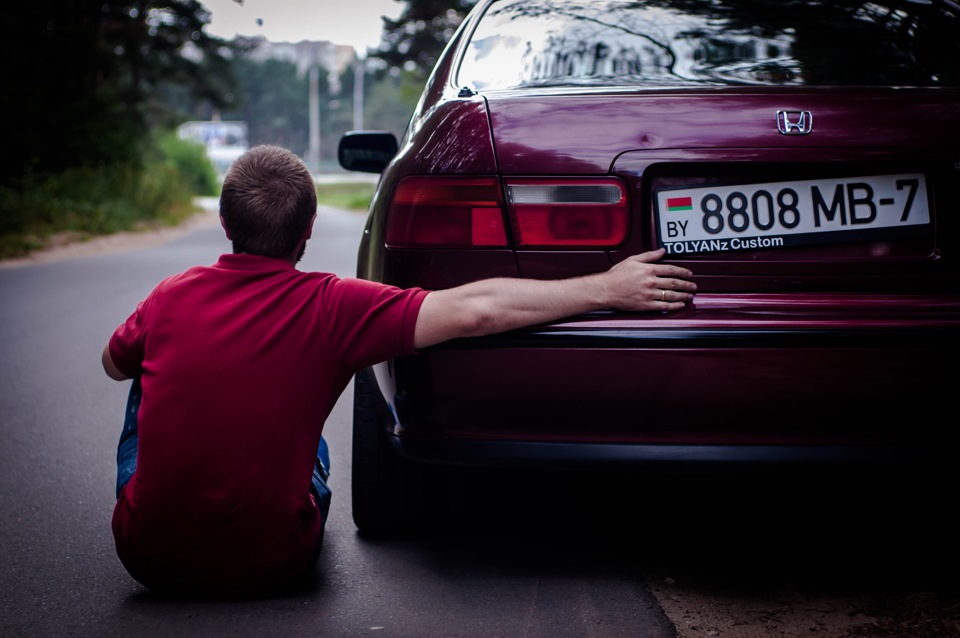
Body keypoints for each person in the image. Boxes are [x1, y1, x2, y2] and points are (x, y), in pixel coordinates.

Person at [101, 144, 697, 597]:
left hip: (149, 560)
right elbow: (478, 309)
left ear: (225, 226)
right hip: (275, 560)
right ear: (308, 230)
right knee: (309, 439)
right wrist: (606, 287)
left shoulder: (172, 294)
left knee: (143, 366)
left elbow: (110, 363)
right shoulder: (334, 303)